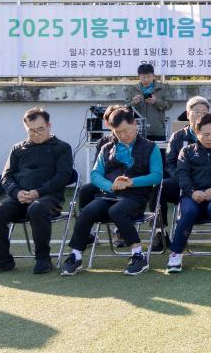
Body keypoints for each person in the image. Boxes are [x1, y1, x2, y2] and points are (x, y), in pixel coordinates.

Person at [60, 106, 161, 276]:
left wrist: (130, 182)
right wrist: (110, 186)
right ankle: (76, 256)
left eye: (126, 130)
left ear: (135, 124)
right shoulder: (107, 148)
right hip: (109, 196)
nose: (123, 135)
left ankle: (138, 255)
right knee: (87, 211)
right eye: (117, 132)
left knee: (117, 211)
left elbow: (157, 176)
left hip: (136, 198)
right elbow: (95, 174)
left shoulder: (151, 147)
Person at [0, 107, 74, 275]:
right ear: (26, 128)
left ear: (49, 126)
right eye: (31, 130)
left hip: (49, 199)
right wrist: (16, 192)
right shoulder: (17, 149)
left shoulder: (62, 148)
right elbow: (6, 177)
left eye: (40, 129)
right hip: (20, 198)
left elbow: (63, 176)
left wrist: (37, 192)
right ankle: (3, 259)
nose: (36, 134)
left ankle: (43, 258)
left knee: (37, 208)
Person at [167, 113, 211, 273]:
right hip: (191, 196)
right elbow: (182, 175)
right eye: (205, 134)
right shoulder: (186, 151)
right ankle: (176, 253)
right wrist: (192, 192)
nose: (210, 138)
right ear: (197, 133)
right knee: (189, 211)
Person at [151, 96, 211, 251]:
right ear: (188, 114)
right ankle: (160, 231)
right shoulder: (178, 137)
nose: (200, 115)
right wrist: (184, 182)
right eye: (196, 111)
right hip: (182, 184)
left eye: (204, 112)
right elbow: (170, 164)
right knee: (159, 187)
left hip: (208, 186)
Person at [125, 63, 172, 141]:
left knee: (158, 152)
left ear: (153, 76)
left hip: (157, 130)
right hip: (137, 130)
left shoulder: (163, 88)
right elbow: (126, 109)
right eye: (143, 77)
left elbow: (169, 105)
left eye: (149, 77)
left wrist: (156, 101)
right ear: (139, 77)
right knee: (138, 153)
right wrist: (134, 102)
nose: (146, 80)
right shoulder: (132, 89)